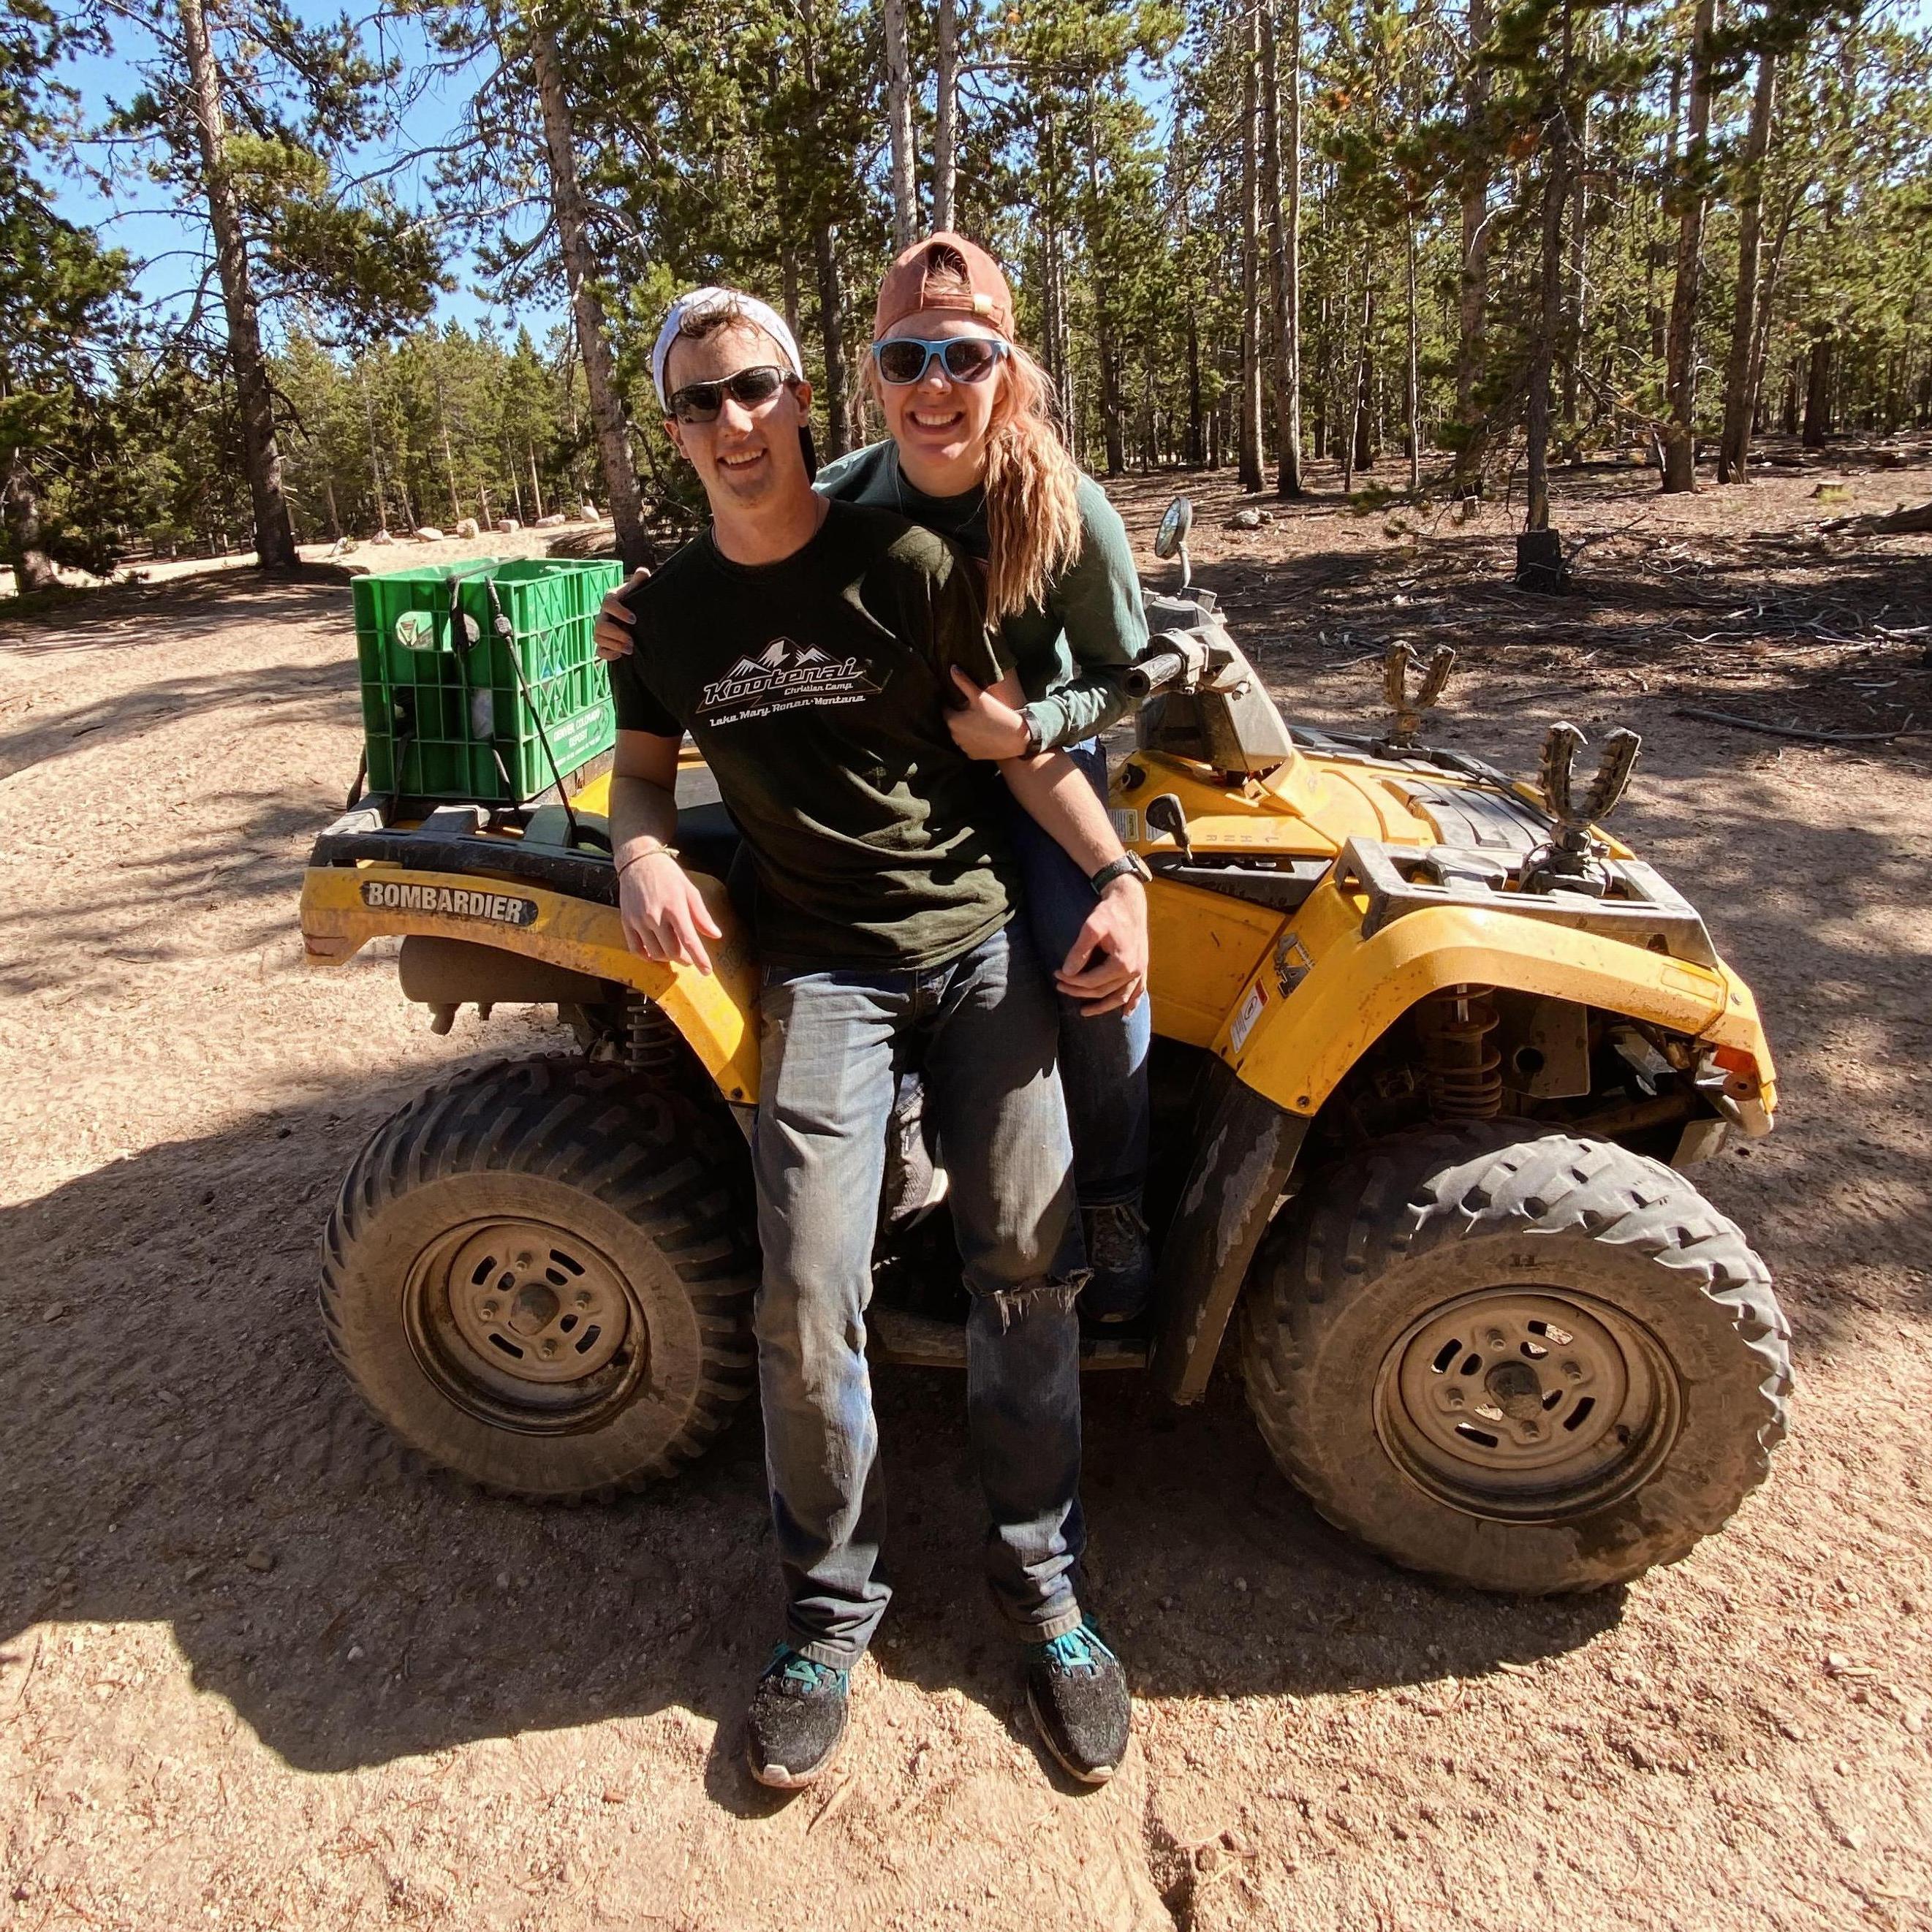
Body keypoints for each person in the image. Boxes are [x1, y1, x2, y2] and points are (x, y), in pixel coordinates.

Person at [605, 286, 1151, 1792]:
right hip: (824, 973)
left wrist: (1114, 879)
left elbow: (1023, 751)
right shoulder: (661, 618)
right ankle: (824, 1615)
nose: (729, 422)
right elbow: (644, 776)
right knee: (801, 1291)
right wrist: (639, 853)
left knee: (1027, 1271)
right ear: (671, 427)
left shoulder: (908, 561)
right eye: (697, 401)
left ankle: (1043, 1589)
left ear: (799, 402)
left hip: (977, 949)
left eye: (754, 390)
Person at [598, 234, 1156, 1324]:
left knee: (1083, 944)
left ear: (1009, 368)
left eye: (965, 358)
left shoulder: (1066, 508)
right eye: (907, 363)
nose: (936, 387)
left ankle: (1118, 1196)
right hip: (916, 762)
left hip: (1033, 755)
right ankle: (894, 1137)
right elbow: (763, 528)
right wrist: (651, 612)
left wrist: (1031, 724)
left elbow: (1127, 674)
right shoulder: (859, 487)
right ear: (871, 381)